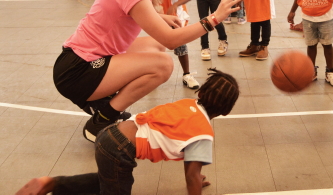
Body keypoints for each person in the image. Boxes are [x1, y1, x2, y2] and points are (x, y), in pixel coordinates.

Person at [53, 0, 242, 143]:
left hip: (81, 61)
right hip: (77, 71)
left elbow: (126, 13)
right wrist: (215, 18)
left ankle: (99, 103)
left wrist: (159, 16)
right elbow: (172, 40)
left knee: (157, 46)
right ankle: (102, 118)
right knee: (163, 65)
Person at [16, 69, 239, 195]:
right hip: (119, 149)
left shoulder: (187, 104)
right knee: (115, 188)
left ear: (201, 93)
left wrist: (197, 177)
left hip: (110, 133)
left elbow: (192, 165)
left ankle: (52, 184)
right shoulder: (203, 133)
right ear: (226, 110)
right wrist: (195, 181)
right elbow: (191, 175)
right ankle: (53, 185)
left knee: (111, 180)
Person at [157, 0, 198, 89]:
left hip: (175, 19)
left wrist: (175, 5)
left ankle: (187, 74)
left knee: (181, 46)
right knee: (156, 46)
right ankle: (153, 74)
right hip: (158, 18)